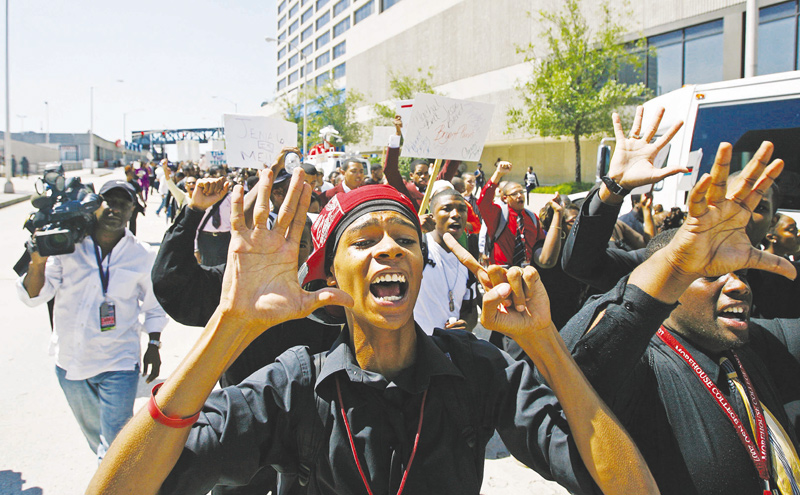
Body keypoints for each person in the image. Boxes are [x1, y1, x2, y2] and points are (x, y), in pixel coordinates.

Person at [87, 169, 659, 495]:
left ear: (421, 264)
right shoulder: (291, 389)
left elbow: (627, 488)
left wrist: (545, 344)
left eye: (404, 239)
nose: (389, 247)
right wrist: (226, 327)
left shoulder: (479, 373)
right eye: (364, 241)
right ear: (331, 274)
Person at [560, 137, 800, 494]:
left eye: (757, 206)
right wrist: (614, 190)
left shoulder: (779, 294)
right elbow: (582, 380)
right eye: (710, 273)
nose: (737, 286)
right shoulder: (664, 263)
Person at [17, 179, 167, 461]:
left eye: (123, 203)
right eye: (109, 201)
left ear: (133, 210)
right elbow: (35, 296)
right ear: (96, 205)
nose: (115, 208)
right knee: (97, 439)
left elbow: (154, 306)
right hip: (71, 363)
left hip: (119, 362)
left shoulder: (143, 256)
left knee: (114, 447)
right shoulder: (67, 246)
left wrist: (154, 343)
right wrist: (37, 262)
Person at [477, 161, 561, 269]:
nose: (519, 196)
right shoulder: (498, 214)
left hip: (527, 273)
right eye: (514, 194)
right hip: (503, 273)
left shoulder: (532, 217)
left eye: (521, 192)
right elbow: (483, 202)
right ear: (505, 198)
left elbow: (541, 244)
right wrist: (498, 174)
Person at [412, 189, 475, 333]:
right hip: (418, 348)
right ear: (431, 215)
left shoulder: (466, 259)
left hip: (450, 350)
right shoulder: (417, 249)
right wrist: (413, 226)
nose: (456, 215)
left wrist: (466, 325)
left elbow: (470, 310)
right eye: (446, 209)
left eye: (462, 209)